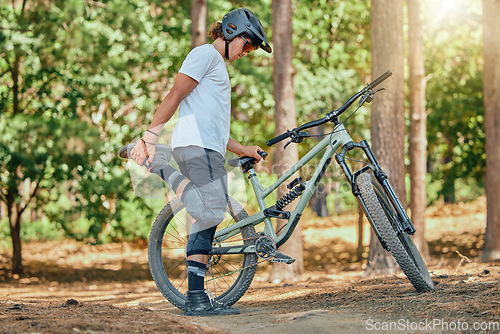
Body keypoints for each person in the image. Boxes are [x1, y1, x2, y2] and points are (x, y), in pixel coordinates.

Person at [128, 8, 272, 316]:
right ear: (233, 32)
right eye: (247, 45)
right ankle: (160, 164)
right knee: (208, 210)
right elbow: (174, 95)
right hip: (197, 148)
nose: (247, 53)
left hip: (209, 147)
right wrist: (150, 137)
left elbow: (215, 126)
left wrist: (243, 148)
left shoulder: (215, 64)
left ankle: (197, 296)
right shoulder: (205, 55)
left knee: (208, 215)